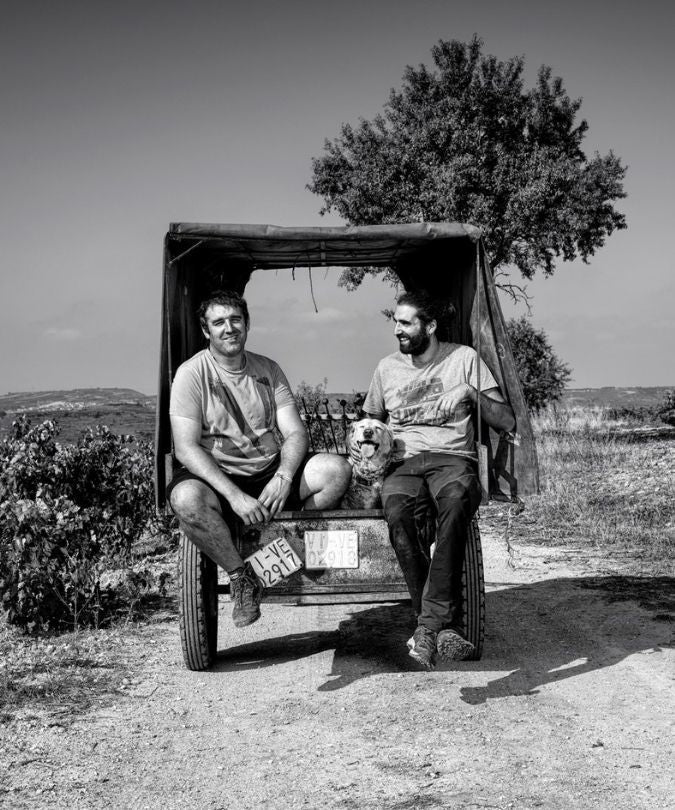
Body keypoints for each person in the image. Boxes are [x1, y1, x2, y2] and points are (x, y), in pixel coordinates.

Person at [168, 290, 351, 629]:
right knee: (185, 498)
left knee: (335, 471)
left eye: (235, 320)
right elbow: (186, 448)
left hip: (268, 469)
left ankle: (287, 553)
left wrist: (283, 475)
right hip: (218, 475)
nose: (229, 328)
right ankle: (242, 578)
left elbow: (295, 433)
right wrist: (233, 496)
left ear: (247, 324)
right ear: (206, 331)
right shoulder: (191, 375)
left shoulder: (268, 369)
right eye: (219, 322)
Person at [363, 290, 515, 670]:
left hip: (453, 460)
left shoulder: (463, 359)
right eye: (395, 322)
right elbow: (371, 422)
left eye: (405, 323)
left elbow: (506, 420)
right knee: (397, 514)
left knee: (457, 502)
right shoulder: (386, 368)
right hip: (405, 463)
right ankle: (439, 625)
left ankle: (427, 626)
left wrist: (469, 391)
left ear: (429, 327)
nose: (397, 329)